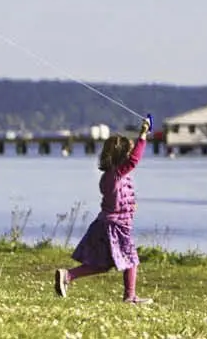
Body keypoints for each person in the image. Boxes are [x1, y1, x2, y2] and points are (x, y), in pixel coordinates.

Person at [56, 115, 153, 304]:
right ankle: (130, 296)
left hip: (106, 224)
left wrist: (130, 205)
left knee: (101, 264)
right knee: (131, 259)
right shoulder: (116, 175)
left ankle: (67, 276)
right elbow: (134, 161)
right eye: (128, 153)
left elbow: (117, 198)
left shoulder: (112, 177)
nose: (130, 158)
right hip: (115, 226)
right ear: (122, 157)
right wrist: (143, 136)